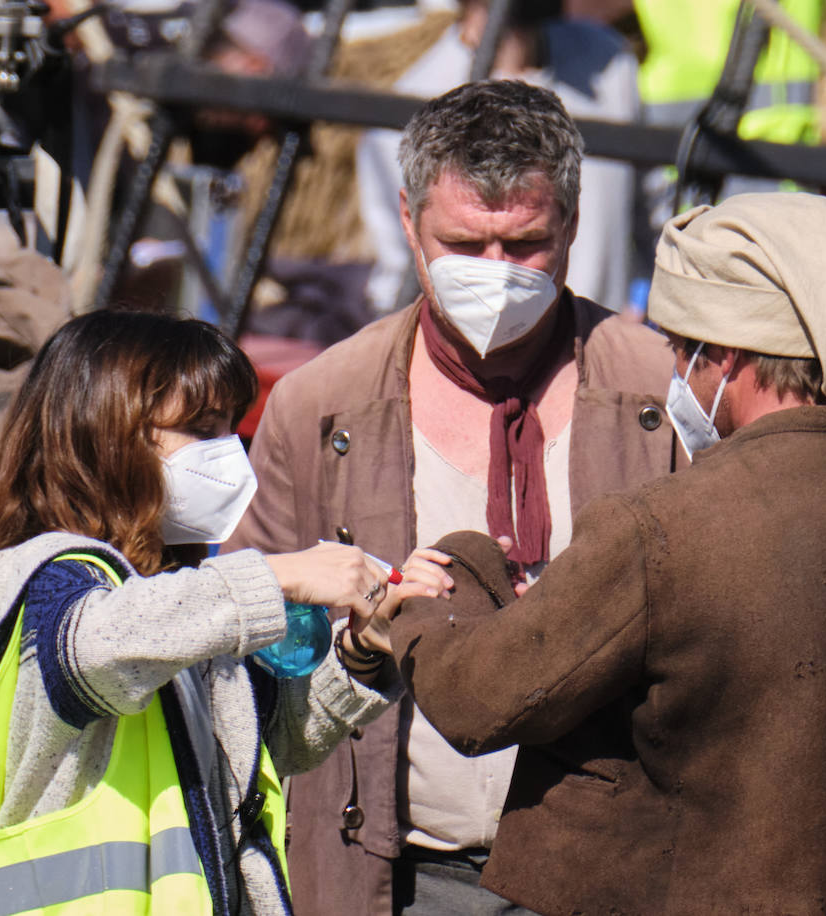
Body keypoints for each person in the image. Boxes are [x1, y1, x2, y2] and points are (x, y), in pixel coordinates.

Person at [385, 192, 826, 915]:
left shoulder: (662, 531)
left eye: (681, 351)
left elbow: (480, 699)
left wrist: (454, 577)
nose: (678, 376)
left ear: (724, 354)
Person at [224, 80, 678, 916]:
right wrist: (347, 633)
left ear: (573, 225)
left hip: (614, 870)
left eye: (526, 245)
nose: (495, 274)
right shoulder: (321, 404)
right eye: (464, 244)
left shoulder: (660, 392)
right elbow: (248, 647)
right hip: (401, 875)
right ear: (408, 221)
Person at [0, 310, 448, 915]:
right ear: (104, 434)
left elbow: (264, 741)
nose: (228, 453)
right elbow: (97, 649)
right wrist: (278, 574)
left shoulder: (171, 598)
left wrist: (361, 651)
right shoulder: (46, 579)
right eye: (200, 429)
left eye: (229, 428)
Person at [354, 0, 639, 314]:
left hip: (601, 332)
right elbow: (396, 283)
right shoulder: (407, 111)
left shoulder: (608, 61)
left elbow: (652, 215)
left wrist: (640, 304)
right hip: (471, 341)